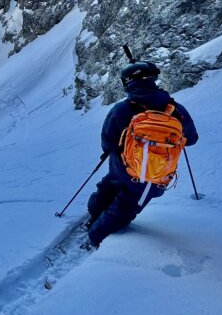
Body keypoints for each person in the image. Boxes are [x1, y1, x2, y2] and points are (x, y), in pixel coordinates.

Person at [83, 61, 199, 249]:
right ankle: (94, 238)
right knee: (125, 207)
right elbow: (192, 139)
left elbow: (108, 142)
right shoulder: (176, 110)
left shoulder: (121, 109)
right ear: (152, 79)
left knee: (107, 187)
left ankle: (93, 218)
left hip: (121, 166)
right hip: (153, 174)